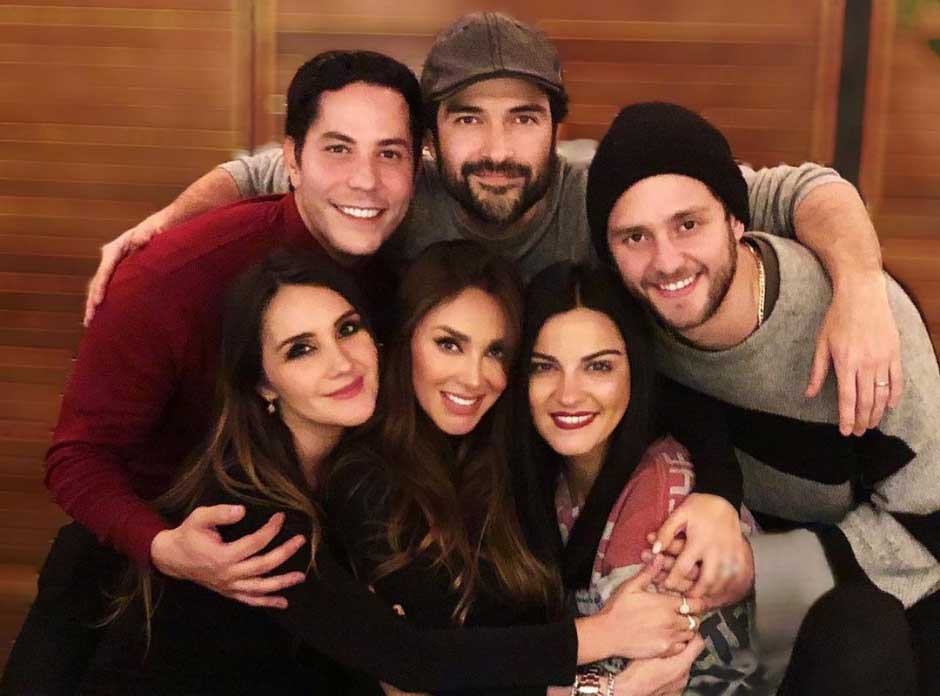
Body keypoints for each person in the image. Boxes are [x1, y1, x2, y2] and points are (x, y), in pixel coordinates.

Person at [84, 13, 904, 441]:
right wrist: (165, 222)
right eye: (468, 119)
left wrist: (862, 284)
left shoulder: (606, 187)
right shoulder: (396, 181)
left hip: (581, 437)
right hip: (426, 446)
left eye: (524, 118)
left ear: (558, 128)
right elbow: (261, 168)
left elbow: (803, 187)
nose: (499, 150)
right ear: (431, 138)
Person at [79, 247, 705, 695]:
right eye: (301, 349)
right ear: (261, 382)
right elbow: (414, 660)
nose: (341, 362)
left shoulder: (465, 457)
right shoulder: (251, 512)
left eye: (347, 329)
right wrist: (603, 655)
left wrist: (719, 499)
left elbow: (668, 392)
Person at [2, 50, 423, 695]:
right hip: (132, 579)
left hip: (287, 574)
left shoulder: (396, 270)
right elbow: (77, 456)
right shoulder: (169, 278)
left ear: (418, 165)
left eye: (389, 153)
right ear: (291, 159)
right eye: (338, 149)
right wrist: (164, 546)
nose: (365, 181)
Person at [585, 101, 940, 695]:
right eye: (635, 237)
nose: (666, 262)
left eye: (687, 225)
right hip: (741, 588)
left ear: (735, 220)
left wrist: (761, 566)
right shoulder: (631, 320)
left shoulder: (863, 326)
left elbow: (928, 526)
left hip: (885, 585)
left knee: (861, 637)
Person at [324, 241, 717, 696]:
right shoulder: (365, 480)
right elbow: (429, 669)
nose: (474, 377)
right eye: (449, 344)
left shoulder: (511, 453)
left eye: (495, 352)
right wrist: (606, 672)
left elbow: (681, 401)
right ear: (403, 339)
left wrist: (720, 494)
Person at [518, 261, 762, 695]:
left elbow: (656, 683)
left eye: (598, 367)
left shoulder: (663, 509)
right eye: (543, 367)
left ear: (636, 369)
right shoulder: (546, 479)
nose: (568, 394)